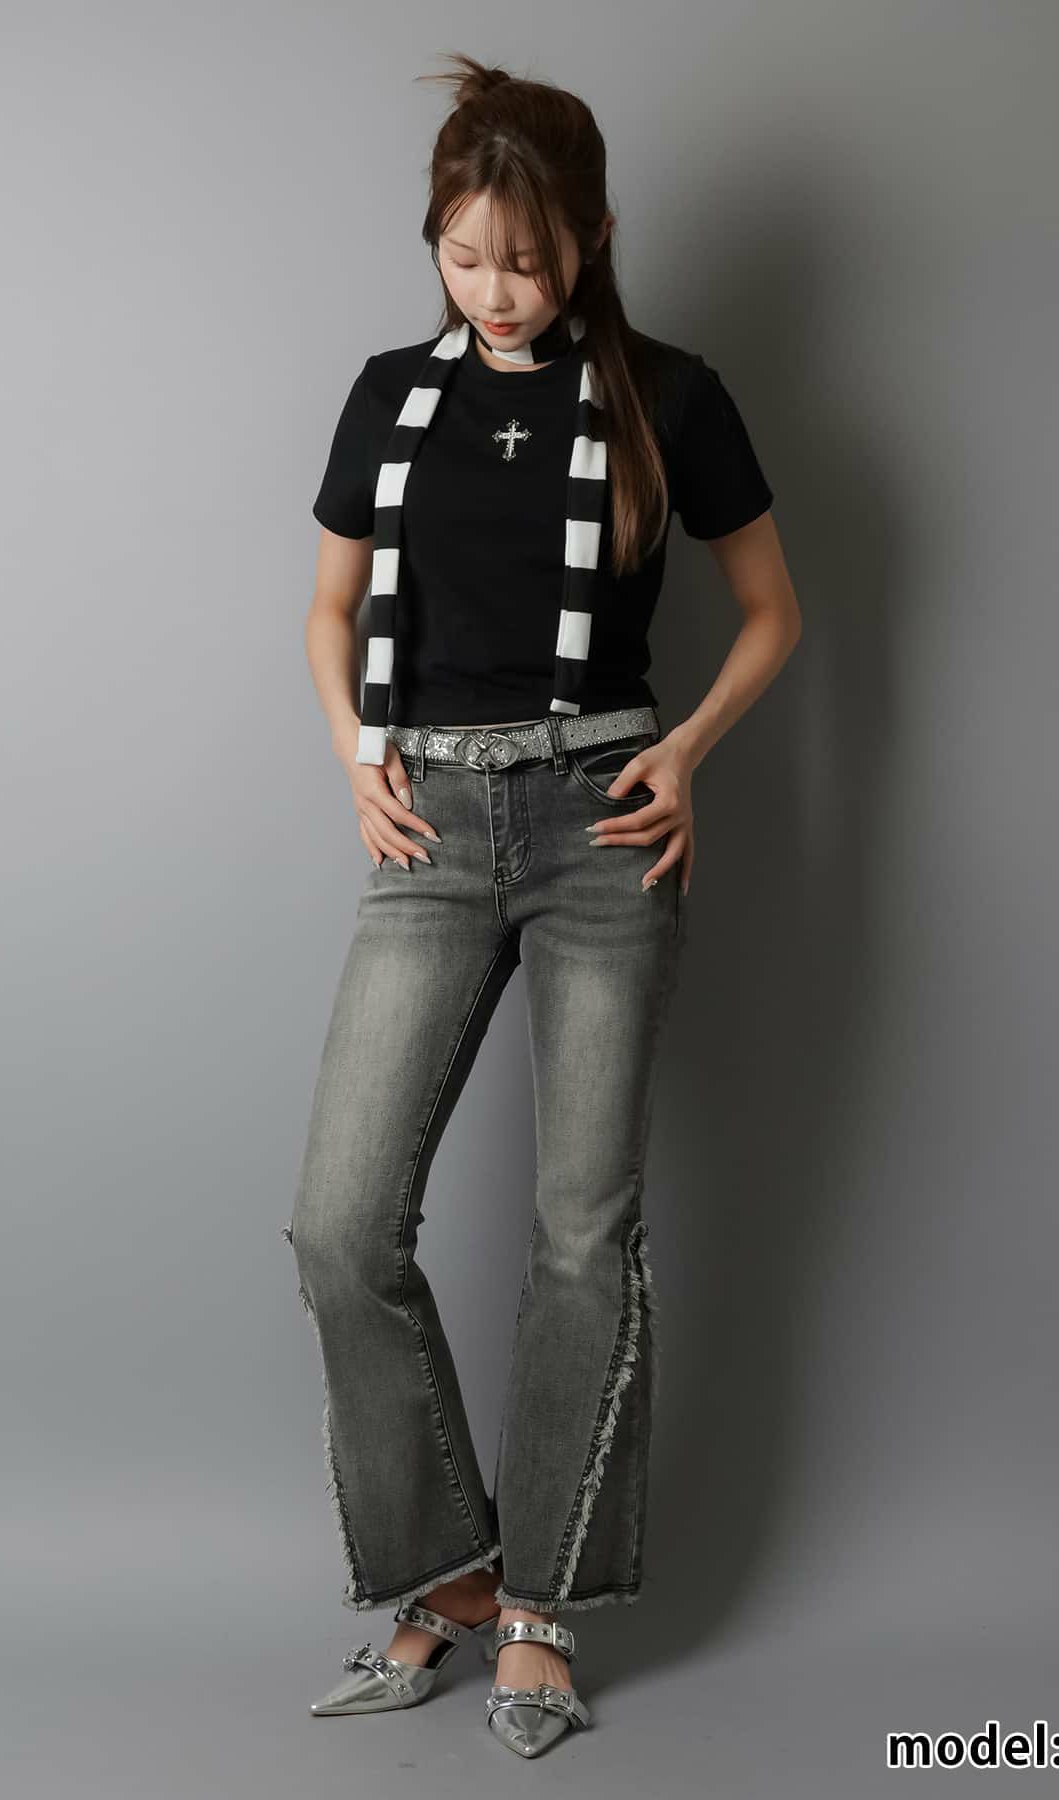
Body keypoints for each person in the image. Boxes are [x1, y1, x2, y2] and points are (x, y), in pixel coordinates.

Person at [284, 52, 802, 1759]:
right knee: (344, 1226)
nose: (494, 288)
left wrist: (688, 755)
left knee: (586, 1230)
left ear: (590, 238)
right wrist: (357, 753)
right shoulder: (390, 394)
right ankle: (444, 1572)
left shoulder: (669, 396)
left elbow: (773, 611)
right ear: (435, 239)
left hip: (603, 828)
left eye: (523, 257)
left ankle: (540, 1613)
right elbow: (332, 606)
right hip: (430, 827)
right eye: (464, 255)